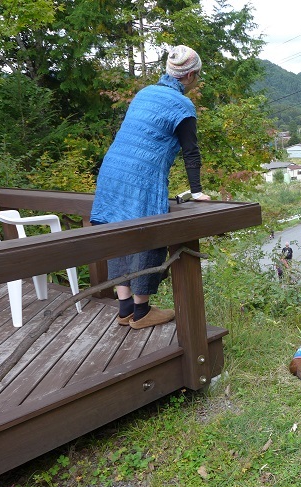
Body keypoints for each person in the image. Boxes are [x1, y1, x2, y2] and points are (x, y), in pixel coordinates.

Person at [89, 44, 209, 330]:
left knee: (118, 233)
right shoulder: (182, 105)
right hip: (141, 176)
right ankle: (142, 312)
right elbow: (190, 151)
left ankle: (125, 308)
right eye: (198, 76)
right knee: (148, 235)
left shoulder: (144, 94)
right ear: (190, 75)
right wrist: (197, 191)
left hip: (111, 172)